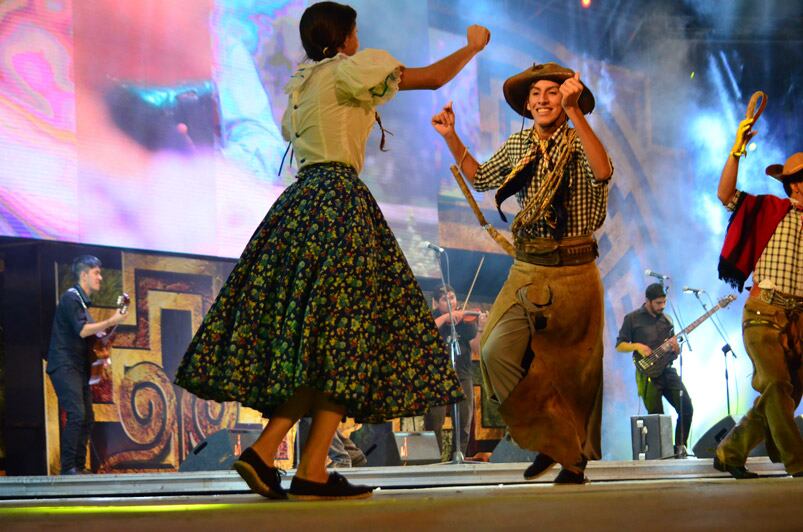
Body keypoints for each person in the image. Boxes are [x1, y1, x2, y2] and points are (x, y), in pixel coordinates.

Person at [174, 1, 491, 500]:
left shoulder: (303, 85)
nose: (359, 39)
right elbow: (430, 79)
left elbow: (293, 131)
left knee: (334, 344)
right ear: (344, 37)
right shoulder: (349, 71)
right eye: (356, 31)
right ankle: (292, 461)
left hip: (303, 203)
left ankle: (297, 462)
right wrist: (472, 47)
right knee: (344, 339)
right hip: (339, 204)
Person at [431, 62, 613, 483]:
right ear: (528, 105)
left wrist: (577, 114)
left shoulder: (580, 139)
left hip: (575, 269)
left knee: (575, 373)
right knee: (494, 350)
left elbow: (603, 171)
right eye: (536, 94)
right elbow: (481, 179)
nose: (543, 99)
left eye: (552, 92)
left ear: (568, 97)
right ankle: (551, 438)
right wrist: (450, 136)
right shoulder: (519, 144)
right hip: (529, 267)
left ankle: (570, 459)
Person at [713, 116, 803, 479]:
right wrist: (737, 150)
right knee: (776, 385)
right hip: (764, 313)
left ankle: (729, 451)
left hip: (800, 320)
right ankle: (798, 463)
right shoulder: (769, 209)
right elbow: (725, 194)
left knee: (783, 396)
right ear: (793, 185)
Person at [46, 255, 125, 475]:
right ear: (84, 275)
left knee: (87, 417)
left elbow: (91, 336)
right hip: (64, 365)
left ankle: (78, 467)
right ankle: (68, 467)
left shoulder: (82, 304)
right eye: (96, 273)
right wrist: (111, 320)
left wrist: (105, 341)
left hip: (78, 367)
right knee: (77, 414)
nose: (100, 277)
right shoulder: (71, 298)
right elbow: (82, 330)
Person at [615, 283, 693, 458]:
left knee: (686, 407)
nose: (662, 306)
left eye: (664, 302)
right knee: (656, 417)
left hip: (667, 370)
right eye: (658, 303)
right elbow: (619, 346)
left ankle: (680, 447)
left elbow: (674, 352)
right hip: (647, 374)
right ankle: (661, 455)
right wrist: (637, 346)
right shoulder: (632, 319)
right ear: (648, 301)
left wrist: (676, 349)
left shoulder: (667, 320)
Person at [424, 285, 481, 459]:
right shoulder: (434, 318)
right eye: (444, 299)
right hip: (437, 376)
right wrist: (446, 317)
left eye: (452, 297)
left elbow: (476, 348)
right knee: (434, 421)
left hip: (462, 374)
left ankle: (458, 458)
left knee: (464, 421)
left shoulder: (465, 322)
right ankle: (433, 463)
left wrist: (480, 327)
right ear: (435, 303)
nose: (450, 302)